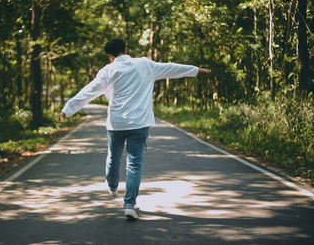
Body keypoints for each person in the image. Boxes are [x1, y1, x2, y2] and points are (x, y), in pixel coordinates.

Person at [59, 38, 211, 220]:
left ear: (110, 56)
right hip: (139, 124)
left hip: (116, 125)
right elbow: (171, 68)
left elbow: (88, 91)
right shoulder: (145, 64)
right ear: (125, 49)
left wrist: (67, 109)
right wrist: (195, 70)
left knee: (113, 157)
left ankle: (112, 185)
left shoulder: (108, 70)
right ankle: (129, 205)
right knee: (134, 165)